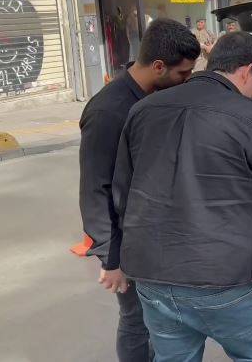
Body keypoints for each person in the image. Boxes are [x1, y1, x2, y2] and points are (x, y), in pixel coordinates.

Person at [112, 31, 252, 362]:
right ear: (247, 70)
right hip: (230, 278)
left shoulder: (143, 110)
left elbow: (123, 191)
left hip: (153, 275)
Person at [78, 18, 200, 362]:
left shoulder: (155, 98)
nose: (186, 80)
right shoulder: (109, 111)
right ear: (158, 66)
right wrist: (110, 257)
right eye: (182, 74)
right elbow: (94, 190)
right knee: (136, 322)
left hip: (156, 237)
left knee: (163, 321)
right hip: (127, 245)